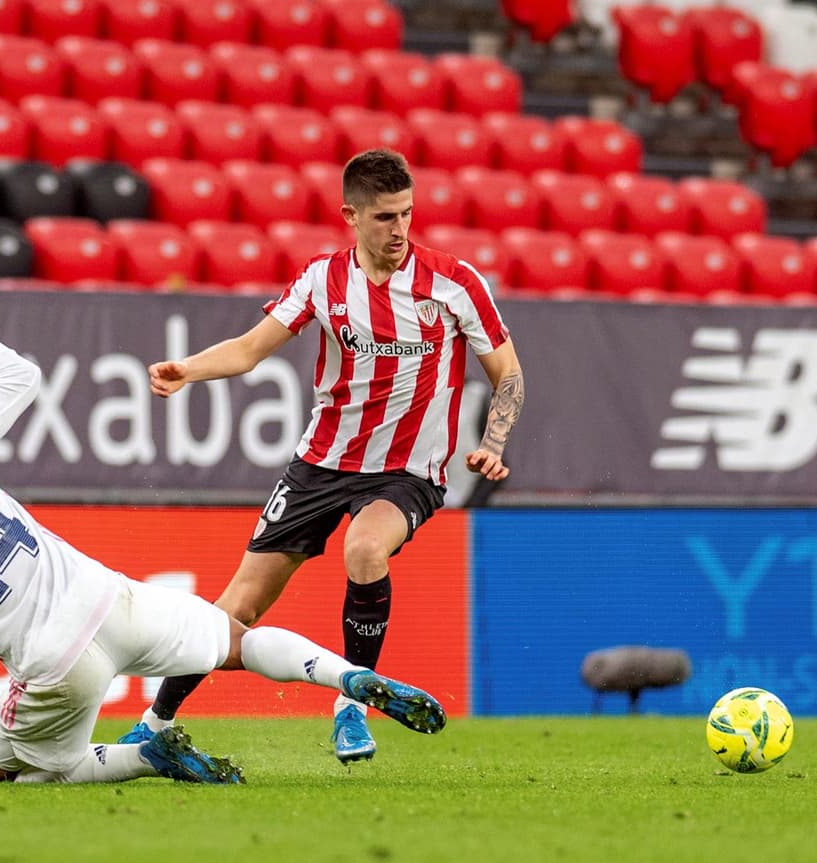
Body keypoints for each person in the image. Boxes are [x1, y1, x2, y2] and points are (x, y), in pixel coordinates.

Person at [0, 292, 446, 787]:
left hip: (52, 660)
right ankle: (351, 675)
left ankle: (144, 755)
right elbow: (20, 377)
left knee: (5, 768)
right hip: (111, 596)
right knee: (234, 642)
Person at [120, 149, 524, 764]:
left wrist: (493, 443)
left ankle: (351, 708)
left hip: (408, 470)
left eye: (408, 214)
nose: (400, 230)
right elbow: (252, 349)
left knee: (363, 550)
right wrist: (189, 370)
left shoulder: (454, 282)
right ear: (351, 215)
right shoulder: (321, 279)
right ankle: (154, 723)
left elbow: (508, 374)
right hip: (321, 464)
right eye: (385, 217)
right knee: (236, 609)